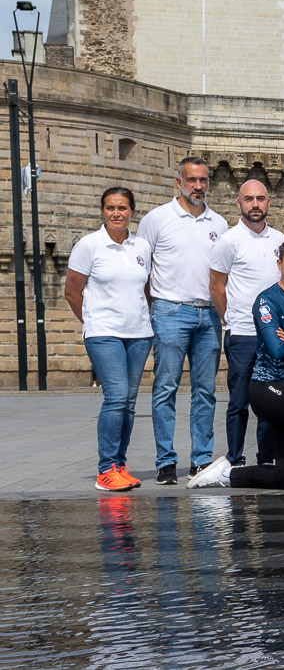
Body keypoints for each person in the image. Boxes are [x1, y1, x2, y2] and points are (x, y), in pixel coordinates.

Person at [187, 242, 284, 494]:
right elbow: (277, 351)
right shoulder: (267, 301)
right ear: (279, 265)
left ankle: (226, 473)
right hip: (268, 388)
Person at [136, 156, 228, 485]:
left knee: (205, 390)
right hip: (170, 311)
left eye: (203, 180)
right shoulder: (156, 219)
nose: (198, 186)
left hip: (208, 315)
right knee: (165, 388)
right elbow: (141, 269)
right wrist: (153, 309)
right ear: (179, 182)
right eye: (191, 180)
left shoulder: (219, 224)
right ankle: (165, 462)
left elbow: (223, 275)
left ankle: (201, 460)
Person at [65, 187, 153, 492]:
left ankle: (119, 465)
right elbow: (72, 292)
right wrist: (92, 323)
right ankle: (105, 470)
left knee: (128, 403)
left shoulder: (141, 247)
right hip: (104, 334)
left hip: (139, 334)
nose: (117, 213)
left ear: (132, 211)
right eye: (111, 208)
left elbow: (146, 291)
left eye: (123, 208)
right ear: (103, 211)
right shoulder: (89, 245)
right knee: (115, 397)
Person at [208, 179, 284, 470]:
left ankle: (266, 458)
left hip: (274, 335)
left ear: (268, 202)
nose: (255, 204)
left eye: (261, 199)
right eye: (249, 199)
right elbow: (216, 285)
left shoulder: (280, 240)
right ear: (239, 203)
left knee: (270, 402)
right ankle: (235, 459)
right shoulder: (228, 241)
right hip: (241, 333)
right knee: (239, 401)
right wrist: (230, 319)